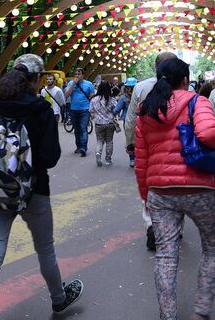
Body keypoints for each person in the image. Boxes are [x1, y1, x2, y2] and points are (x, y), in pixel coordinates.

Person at [0, 54, 83, 320]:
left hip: (0, 188)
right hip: (35, 189)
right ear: (36, 80)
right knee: (45, 248)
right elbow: (50, 158)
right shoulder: (41, 109)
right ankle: (59, 300)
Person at [134, 57, 215, 320]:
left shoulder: (146, 109)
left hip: (160, 191)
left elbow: (141, 159)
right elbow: (208, 134)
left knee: (166, 256)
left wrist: (147, 196)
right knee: (212, 247)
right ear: (185, 79)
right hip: (199, 188)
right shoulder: (197, 101)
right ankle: (201, 311)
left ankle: (168, 316)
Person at [124, 52, 178, 251]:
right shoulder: (181, 86)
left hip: (147, 147)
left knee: (149, 189)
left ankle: (150, 224)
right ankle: (174, 229)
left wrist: (130, 142)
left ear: (156, 66)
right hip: (175, 148)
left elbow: (130, 119)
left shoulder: (140, 87)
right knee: (173, 186)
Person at [64, 67, 95, 157]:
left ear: (83, 75)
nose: (77, 76)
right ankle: (78, 146)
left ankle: (83, 148)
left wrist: (92, 110)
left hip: (85, 109)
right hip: (73, 109)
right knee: (76, 129)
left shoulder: (89, 84)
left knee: (83, 128)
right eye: (76, 74)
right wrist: (73, 83)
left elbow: (92, 96)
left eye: (79, 74)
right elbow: (67, 95)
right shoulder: (70, 83)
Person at [89, 81, 118, 167]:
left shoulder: (94, 99)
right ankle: (108, 160)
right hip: (110, 123)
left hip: (98, 123)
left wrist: (94, 116)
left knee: (99, 140)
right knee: (109, 141)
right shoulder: (112, 99)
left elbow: (91, 111)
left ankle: (98, 153)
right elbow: (116, 110)